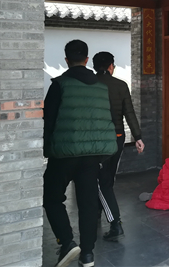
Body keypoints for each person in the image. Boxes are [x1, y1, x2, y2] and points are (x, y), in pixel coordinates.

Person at [43, 40, 117, 267]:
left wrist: (47, 149)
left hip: (64, 154)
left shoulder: (59, 85)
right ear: (86, 60)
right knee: (88, 204)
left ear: (67, 60)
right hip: (92, 156)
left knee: (52, 197)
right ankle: (87, 255)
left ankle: (66, 241)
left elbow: (49, 121)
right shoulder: (101, 88)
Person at [92, 51, 145, 242]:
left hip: (97, 140)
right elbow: (129, 112)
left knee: (101, 181)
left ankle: (114, 223)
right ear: (110, 66)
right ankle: (101, 211)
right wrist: (138, 137)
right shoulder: (121, 85)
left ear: (94, 66)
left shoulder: (90, 84)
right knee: (107, 178)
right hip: (117, 137)